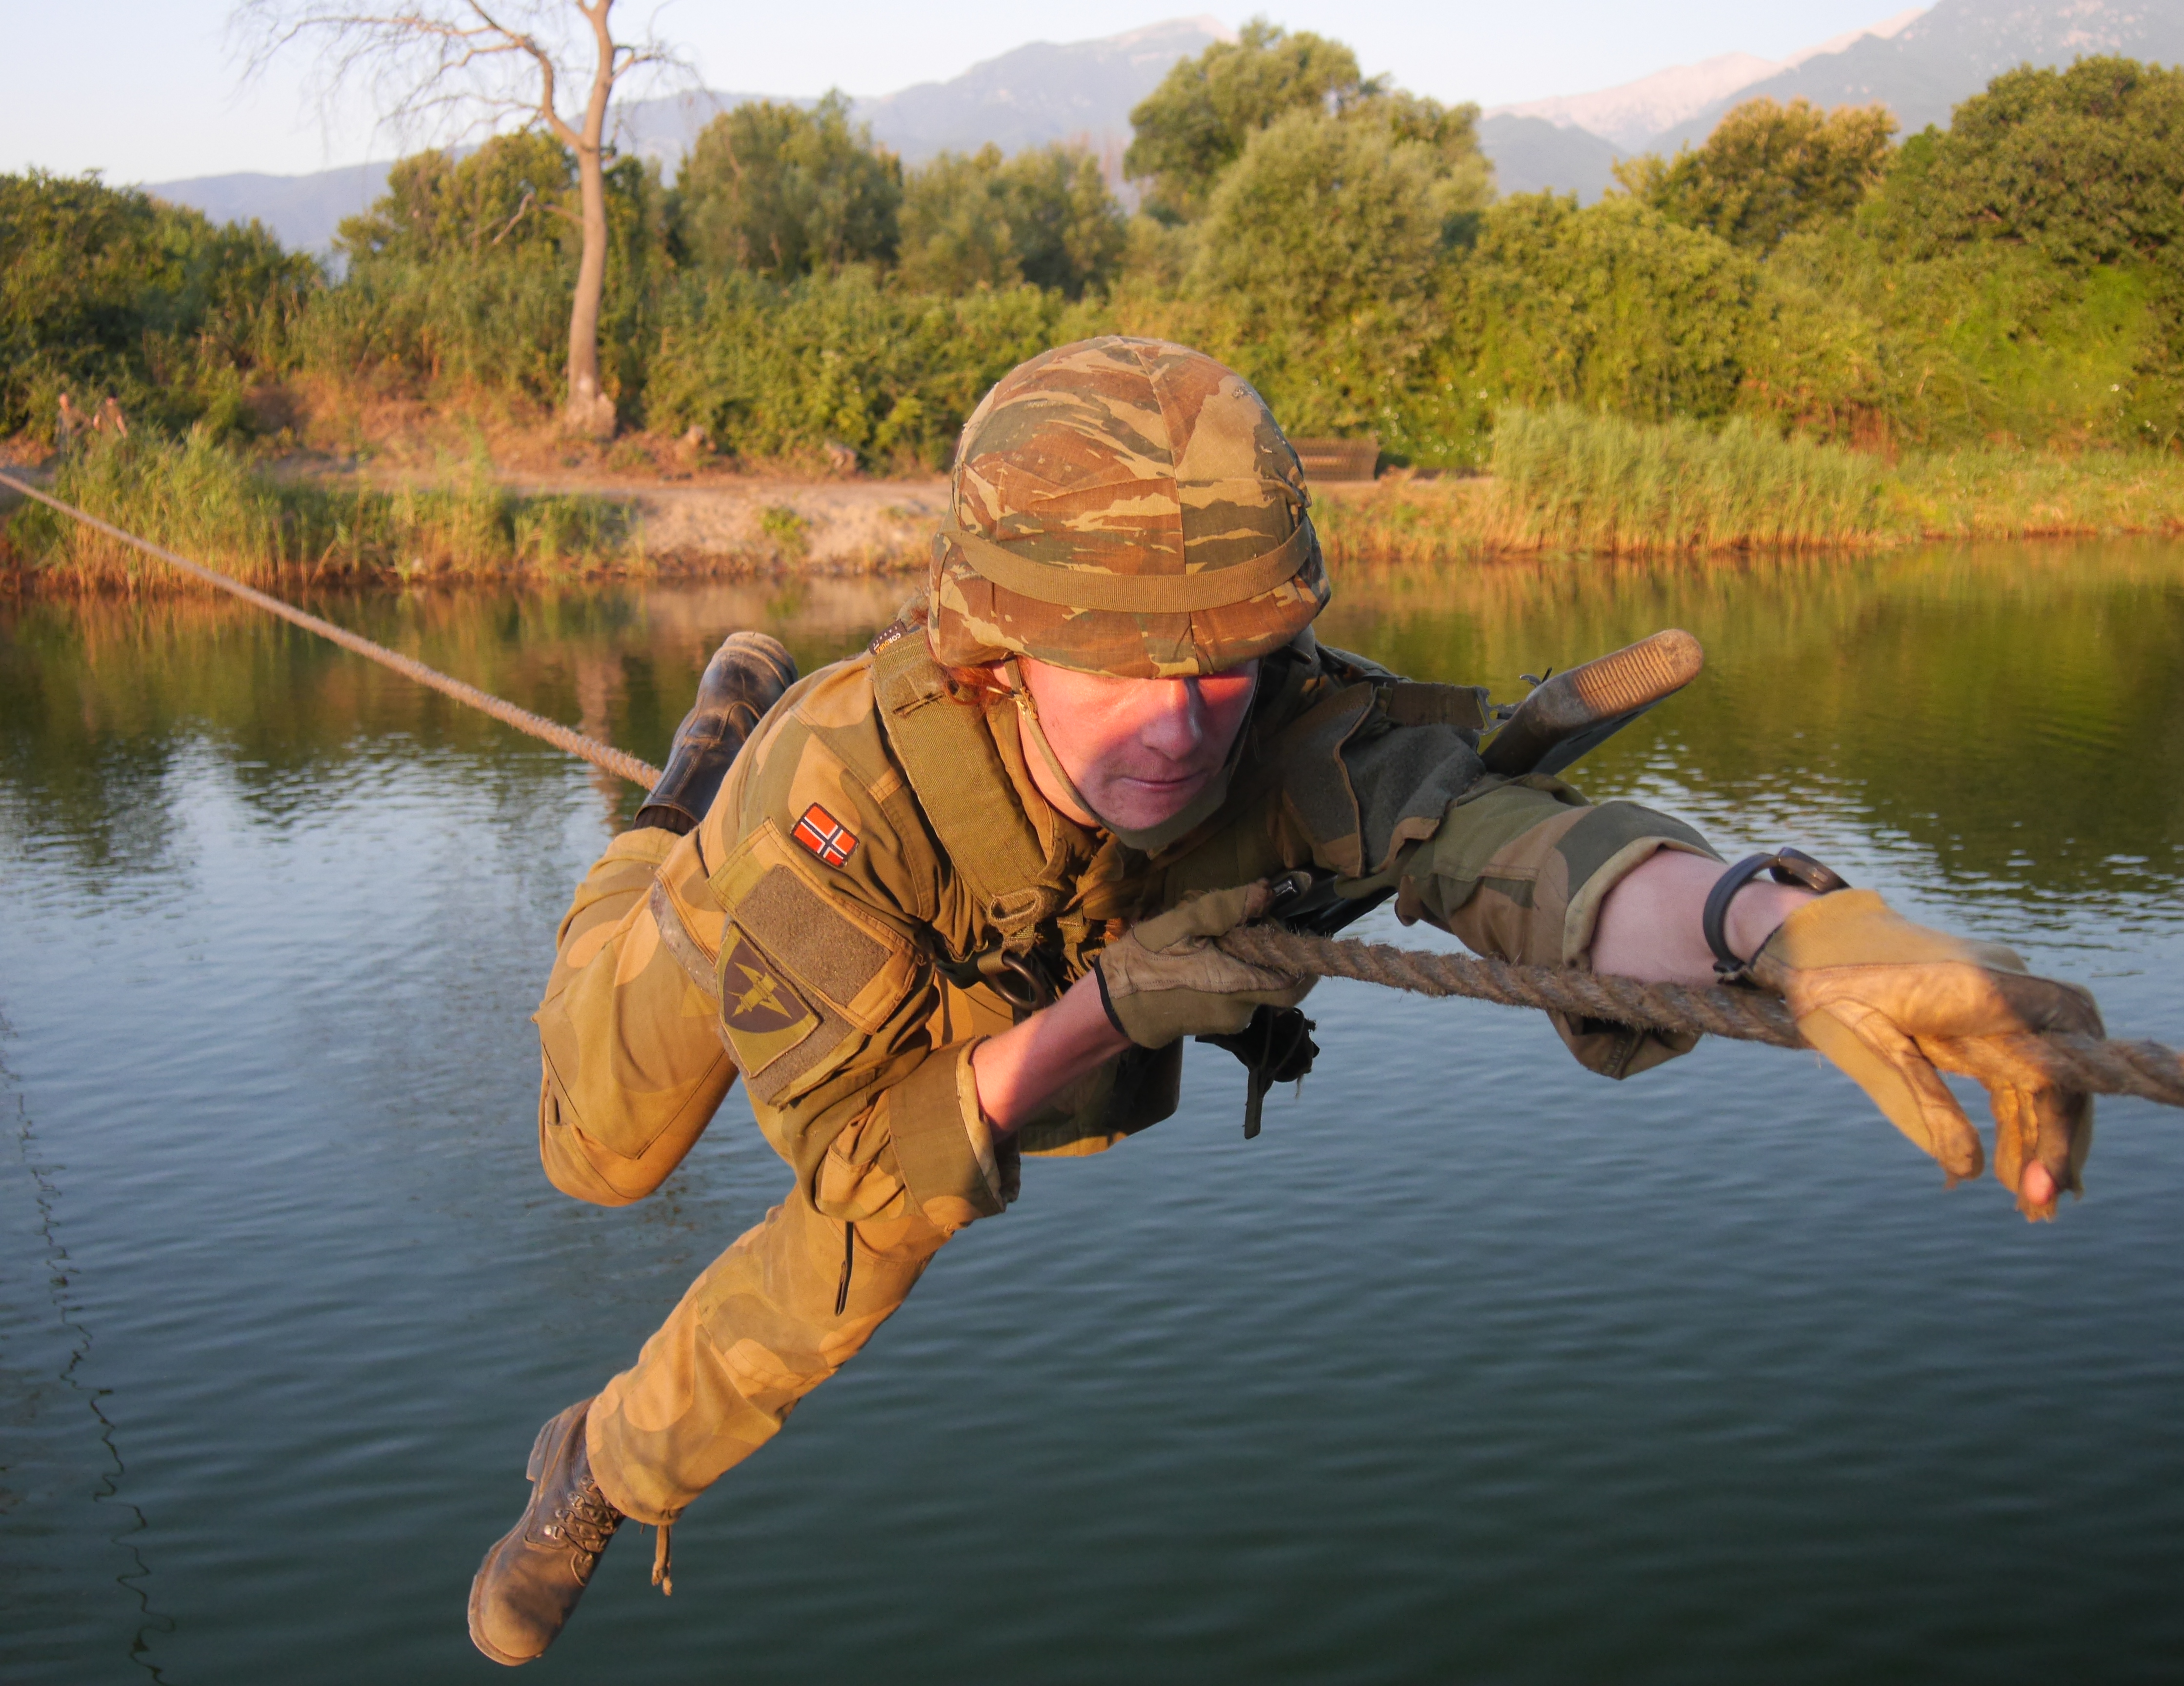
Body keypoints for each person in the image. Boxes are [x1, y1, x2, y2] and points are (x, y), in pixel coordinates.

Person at [467, 337, 2102, 1665]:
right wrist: (1108, 1015)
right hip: (742, 910)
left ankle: (595, 1456)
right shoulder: (843, 803)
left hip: (1000, 987)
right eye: (1122, 664)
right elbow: (863, 1179)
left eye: (1228, 658)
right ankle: (687, 777)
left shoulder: (1289, 726)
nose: (1185, 722)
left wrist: (1774, 926)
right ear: (996, 645)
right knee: (599, 1156)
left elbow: (1506, 846)